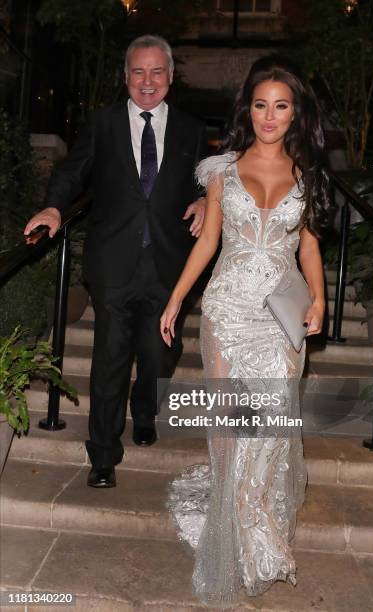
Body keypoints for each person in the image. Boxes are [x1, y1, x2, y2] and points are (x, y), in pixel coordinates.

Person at [160, 56, 328, 607]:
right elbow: (208, 242)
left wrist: (321, 296)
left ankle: (256, 528)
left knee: (269, 432)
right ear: (248, 111)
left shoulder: (305, 176)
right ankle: (231, 534)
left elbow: (306, 243)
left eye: (281, 106)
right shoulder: (222, 171)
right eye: (261, 105)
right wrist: (178, 297)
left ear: (295, 114)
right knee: (229, 431)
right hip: (227, 312)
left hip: (278, 319)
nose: (270, 116)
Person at [24, 35, 208, 488]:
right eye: (139, 72)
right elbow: (72, 172)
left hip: (168, 263)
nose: (148, 82)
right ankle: (103, 452)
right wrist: (53, 206)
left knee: (158, 351)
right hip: (113, 262)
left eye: (157, 72)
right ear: (126, 77)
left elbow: (209, 177)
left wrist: (206, 201)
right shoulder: (103, 123)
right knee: (109, 359)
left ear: (170, 77)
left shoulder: (191, 128)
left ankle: (145, 410)